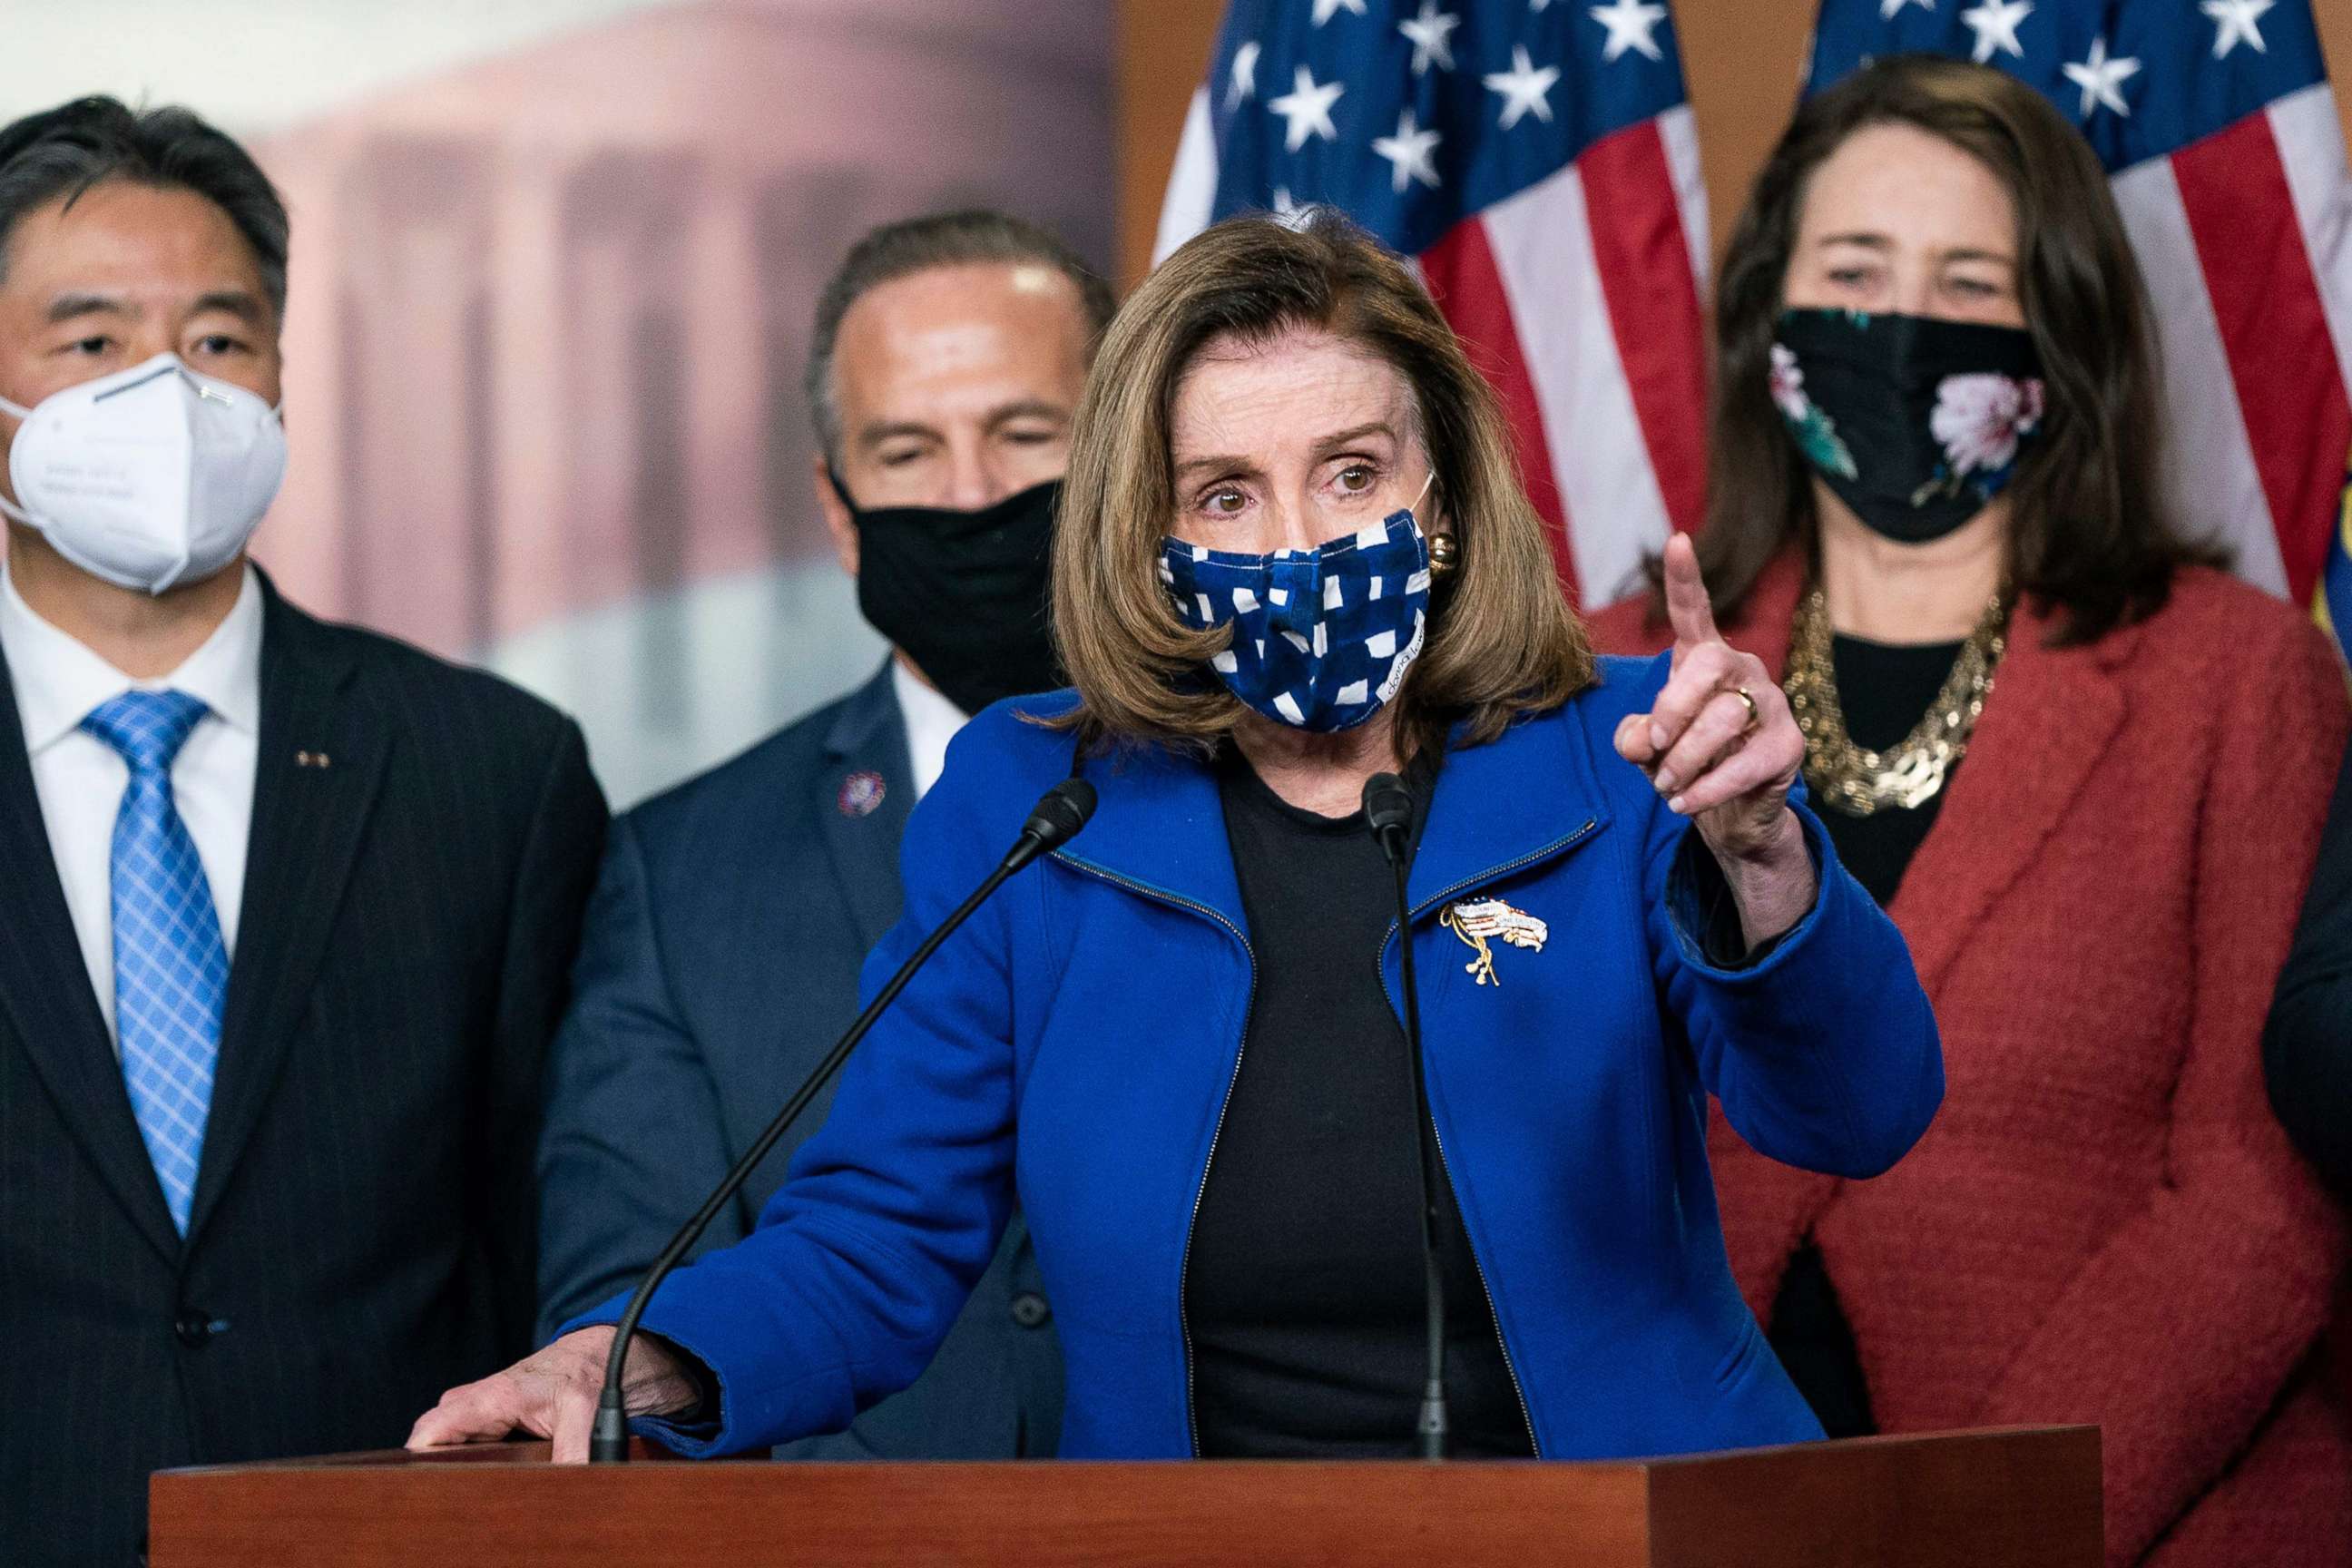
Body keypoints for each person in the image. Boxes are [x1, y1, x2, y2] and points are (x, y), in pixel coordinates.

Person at [412, 209, 1940, 1465]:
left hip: (1636, 1537)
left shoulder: (1629, 747)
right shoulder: (1039, 802)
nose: (1296, 543)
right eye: (1227, 494)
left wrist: (1761, 857)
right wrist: (645, 1360)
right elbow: (875, 1234)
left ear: (1446, 498)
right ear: (1150, 532)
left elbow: (1859, 1112)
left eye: (1351, 473)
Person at [1585, 57, 2350, 1566]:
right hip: (1687, 1505)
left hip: (2123, 1514)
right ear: (1766, 322)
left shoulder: (2240, 675)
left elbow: (2262, 1203)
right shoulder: (1615, 676)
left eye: (1968, 280)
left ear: (2059, 344)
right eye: (1854, 272)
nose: (1900, 324)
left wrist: (1980, 1528)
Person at [0, 98, 607, 1566]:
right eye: (90, 342)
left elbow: (557, 1229)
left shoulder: (491, 771)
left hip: (389, 1536)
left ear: (280, 374)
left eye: (218, 340)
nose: (166, 391)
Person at [533, 211, 1107, 1456]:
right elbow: (626, 1307)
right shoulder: (679, 873)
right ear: (839, 507)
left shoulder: (1285, 789)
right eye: (907, 451)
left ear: (1125, 456)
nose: (970, 497)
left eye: (1023, 435)